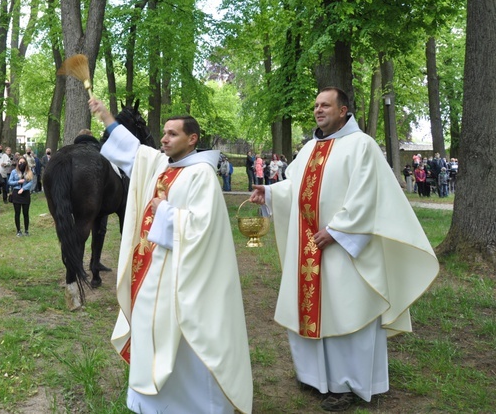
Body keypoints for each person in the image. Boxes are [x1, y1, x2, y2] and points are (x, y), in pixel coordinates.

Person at [250, 87, 438, 412]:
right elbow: (295, 187)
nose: (319, 110)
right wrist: (268, 193)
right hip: (310, 248)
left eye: (326, 105)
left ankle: (348, 384)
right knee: (315, 309)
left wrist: (338, 231)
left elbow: (368, 195)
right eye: (316, 106)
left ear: (343, 110)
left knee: (348, 310)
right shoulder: (309, 148)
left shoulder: (362, 146)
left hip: (344, 248)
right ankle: (316, 377)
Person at [88, 97, 253, 414]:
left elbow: (202, 228)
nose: (164, 139)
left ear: (192, 139)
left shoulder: (201, 174)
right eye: (163, 133)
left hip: (183, 276)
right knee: (152, 332)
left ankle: (194, 406)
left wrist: (164, 212)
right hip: (151, 273)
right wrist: (107, 116)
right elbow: (133, 152)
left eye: (173, 134)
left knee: (183, 338)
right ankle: (151, 404)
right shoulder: (162, 165)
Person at [7, 156, 34, 236]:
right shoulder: (14, 172)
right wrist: (18, 182)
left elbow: (31, 182)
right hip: (16, 193)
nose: (22, 164)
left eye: (23, 162)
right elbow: (9, 182)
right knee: (17, 213)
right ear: (18, 163)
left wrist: (24, 188)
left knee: (26, 213)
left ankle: (26, 230)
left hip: (25, 193)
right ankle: (18, 231)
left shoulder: (29, 172)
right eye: (20, 162)